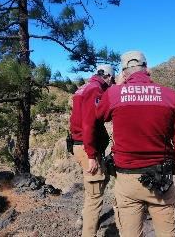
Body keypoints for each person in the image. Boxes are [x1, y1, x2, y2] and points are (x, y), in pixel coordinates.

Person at [96, 51, 175, 237]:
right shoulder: (170, 95)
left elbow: (99, 115)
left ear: (124, 73)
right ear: (147, 69)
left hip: (127, 179)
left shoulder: (114, 94)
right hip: (161, 179)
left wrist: (116, 88)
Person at [69, 64, 115, 237]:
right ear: (109, 77)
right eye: (113, 79)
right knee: (95, 196)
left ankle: (84, 218)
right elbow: (89, 123)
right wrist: (91, 154)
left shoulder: (84, 87)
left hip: (78, 143)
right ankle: (87, 230)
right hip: (87, 146)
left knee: (97, 185)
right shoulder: (96, 90)